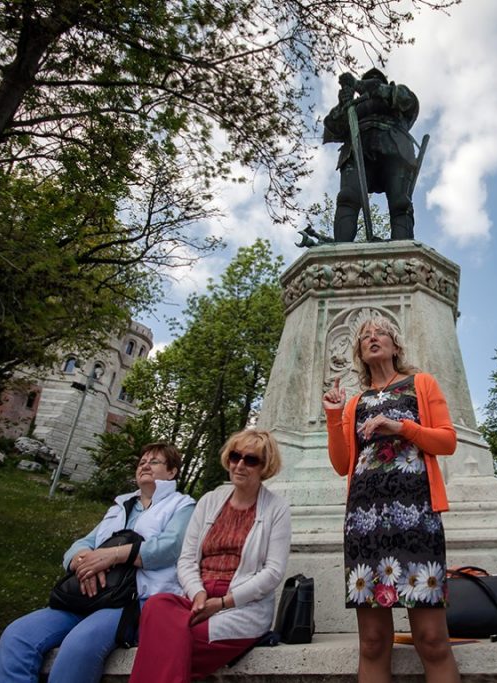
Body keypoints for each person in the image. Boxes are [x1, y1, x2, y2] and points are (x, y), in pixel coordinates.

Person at [323, 315, 461, 683]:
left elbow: (447, 441)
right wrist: (334, 415)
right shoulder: (356, 403)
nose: (372, 337)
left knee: (431, 639)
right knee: (371, 642)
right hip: (364, 523)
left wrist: (401, 427)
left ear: (395, 345)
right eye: (365, 336)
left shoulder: (421, 384)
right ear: (359, 353)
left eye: (380, 332)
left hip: (417, 518)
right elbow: (341, 464)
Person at [0, 443, 195, 683]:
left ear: (171, 472)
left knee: (79, 644)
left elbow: (169, 547)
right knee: (17, 635)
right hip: (88, 595)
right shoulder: (120, 506)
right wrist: (84, 564)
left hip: (135, 600)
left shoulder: (183, 506)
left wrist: (112, 555)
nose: (145, 466)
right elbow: (83, 543)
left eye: (154, 462)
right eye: (142, 462)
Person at [128, 429, 291, 683]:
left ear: (265, 467)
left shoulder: (276, 508)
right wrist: (198, 594)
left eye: (250, 460)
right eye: (235, 456)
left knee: (173, 642)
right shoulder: (210, 501)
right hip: (198, 599)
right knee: (156, 606)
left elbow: (273, 572)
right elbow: (186, 559)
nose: (239, 465)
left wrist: (223, 603)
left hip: (241, 605)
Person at [323, 67, 420, 242]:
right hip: (357, 148)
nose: (371, 82)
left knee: (401, 204)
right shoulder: (353, 106)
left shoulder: (398, 93)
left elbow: (407, 101)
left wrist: (358, 84)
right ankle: (340, 249)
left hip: (395, 148)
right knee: (347, 198)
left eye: (374, 80)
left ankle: (403, 250)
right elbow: (332, 128)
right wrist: (342, 104)